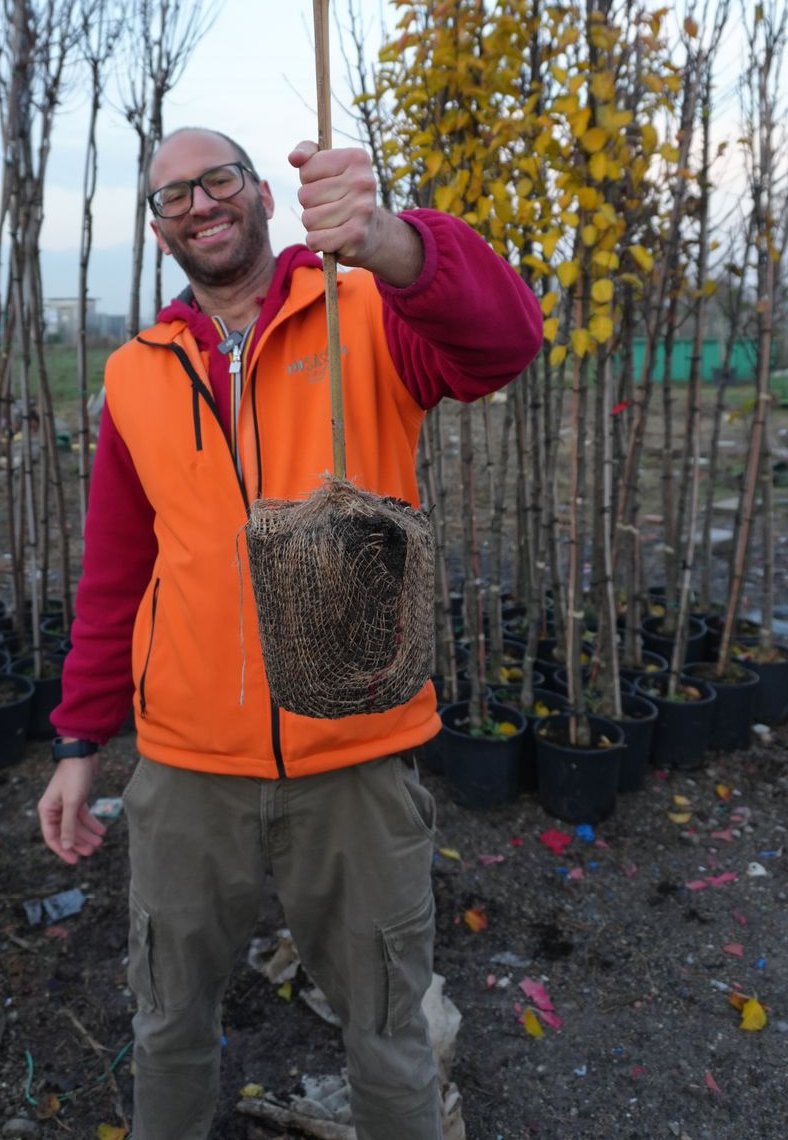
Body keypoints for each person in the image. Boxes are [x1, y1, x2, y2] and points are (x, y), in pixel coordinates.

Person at [38, 126, 542, 1140]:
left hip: (354, 755)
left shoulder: (368, 311)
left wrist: (389, 240)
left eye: (218, 178)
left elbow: (504, 341)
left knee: (387, 1028)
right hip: (186, 767)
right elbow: (116, 571)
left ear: (264, 193)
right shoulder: (136, 374)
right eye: (174, 194)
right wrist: (79, 741)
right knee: (168, 1018)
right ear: (158, 228)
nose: (200, 203)